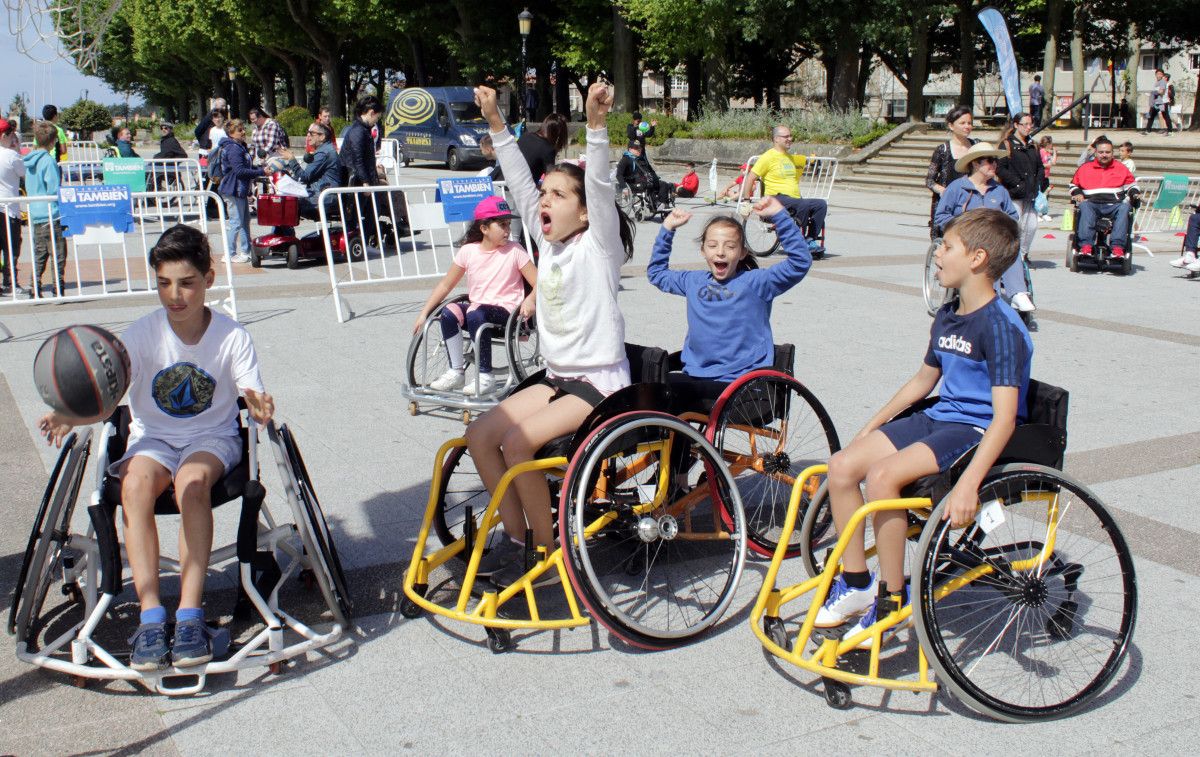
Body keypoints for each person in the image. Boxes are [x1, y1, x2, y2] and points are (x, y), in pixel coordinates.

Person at [37, 224, 275, 671]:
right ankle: (151, 614)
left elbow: (251, 391)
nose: (175, 295)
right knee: (133, 487)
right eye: (164, 283)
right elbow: (109, 395)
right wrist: (69, 414)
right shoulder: (141, 334)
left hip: (211, 437)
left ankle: (189, 615)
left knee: (191, 484)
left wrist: (258, 403)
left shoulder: (232, 336)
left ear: (209, 279)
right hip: (154, 437)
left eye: (186, 282)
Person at [817, 207, 1031, 648]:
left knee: (882, 477)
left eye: (947, 247)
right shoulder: (949, 314)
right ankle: (857, 583)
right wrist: (870, 427)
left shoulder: (1002, 326)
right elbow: (922, 381)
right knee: (841, 467)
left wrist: (969, 484)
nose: (937, 256)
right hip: (938, 416)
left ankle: (893, 597)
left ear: (977, 258)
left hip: (975, 428)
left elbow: (1005, 417)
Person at [465, 82, 634, 589]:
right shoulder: (546, 242)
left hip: (601, 383)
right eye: (545, 195)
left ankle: (546, 546)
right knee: (479, 435)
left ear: (582, 213)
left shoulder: (599, 248)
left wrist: (597, 127)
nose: (544, 201)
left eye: (558, 195)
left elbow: (600, 189)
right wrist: (496, 120)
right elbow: (518, 179)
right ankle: (517, 539)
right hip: (559, 377)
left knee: (518, 443)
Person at [649, 199, 810, 412]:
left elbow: (800, 262)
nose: (721, 252)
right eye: (713, 245)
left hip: (742, 381)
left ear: (742, 252)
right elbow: (657, 273)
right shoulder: (692, 281)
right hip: (696, 375)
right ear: (703, 251)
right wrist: (668, 228)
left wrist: (780, 215)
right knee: (647, 390)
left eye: (730, 246)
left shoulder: (757, 282)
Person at [415, 196, 537, 395]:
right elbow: (446, 285)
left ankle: (485, 376)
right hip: (477, 312)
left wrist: (531, 299)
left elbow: (539, 282)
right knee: (449, 311)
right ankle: (456, 372)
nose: (507, 230)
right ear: (484, 228)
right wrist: (424, 312)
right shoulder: (468, 251)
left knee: (475, 311)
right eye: (501, 225)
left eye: (508, 224)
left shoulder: (515, 250)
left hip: (507, 313)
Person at [935, 143, 1027, 313]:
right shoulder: (957, 188)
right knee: (984, 253)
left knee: (1011, 247)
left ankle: (1017, 292)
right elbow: (940, 216)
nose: (995, 164)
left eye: (996, 161)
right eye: (990, 161)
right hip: (965, 239)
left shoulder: (999, 190)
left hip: (994, 239)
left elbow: (1013, 216)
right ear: (976, 164)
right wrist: (962, 226)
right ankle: (991, 298)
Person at [742, 125, 827, 255]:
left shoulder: (790, 157)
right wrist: (746, 201)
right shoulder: (767, 157)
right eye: (786, 136)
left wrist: (811, 161)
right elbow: (750, 178)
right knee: (802, 205)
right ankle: (799, 240)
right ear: (776, 139)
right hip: (776, 198)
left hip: (794, 200)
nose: (790, 139)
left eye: (790, 136)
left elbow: (802, 162)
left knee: (820, 204)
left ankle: (810, 239)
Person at [995, 113, 1043, 312]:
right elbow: (1001, 168)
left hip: (1030, 194)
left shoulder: (1033, 145)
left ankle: (1022, 255)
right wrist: (1016, 183)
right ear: (1016, 125)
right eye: (1025, 124)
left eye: (1030, 124)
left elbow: (1039, 167)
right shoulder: (1006, 145)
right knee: (1015, 226)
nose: (1028, 127)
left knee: (1031, 225)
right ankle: (1012, 256)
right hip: (1013, 194)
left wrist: (1039, 182)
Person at [1068, 136, 1139, 261]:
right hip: (1091, 203)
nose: (1104, 155)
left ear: (1112, 153)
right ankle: (1086, 246)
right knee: (1084, 206)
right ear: (1096, 152)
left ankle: (1117, 247)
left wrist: (1134, 193)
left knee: (1125, 207)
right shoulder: (1085, 168)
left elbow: (1132, 185)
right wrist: (1078, 192)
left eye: (1107, 152)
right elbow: (1073, 185)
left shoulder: (1121, 168)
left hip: (1114, 204)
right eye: (1101, 152)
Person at [22, 121, 68, 297]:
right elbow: (53, 188)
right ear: (53, 141)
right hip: (51, 213)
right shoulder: (48, 161)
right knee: (58, 252)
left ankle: (35, 286)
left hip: (35, 212)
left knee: (40, 253)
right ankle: (58, 288)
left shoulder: (30, 160)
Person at [215, 119, 270, 264]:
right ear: (231, 133)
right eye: (239, 130)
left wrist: (258, 170)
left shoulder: (239, 146)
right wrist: (261, 171)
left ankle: (246, 251)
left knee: (245, 221)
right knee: (236, 222)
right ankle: (229, 253)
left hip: (240, 190)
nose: (243, 132)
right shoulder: (233, 148)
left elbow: (244, 169)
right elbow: (239, 171)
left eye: (243, 129)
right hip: (232, 189)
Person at [274, 122, 342, 235]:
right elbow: (305, 176)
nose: (308, 136)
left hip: (324, 196)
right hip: (320, 193)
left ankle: (284, 237)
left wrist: (291, 159)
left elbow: (304, 177)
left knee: (285, 203)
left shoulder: (324, 152)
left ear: (322, 136)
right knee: (284, 200)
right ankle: (284, 236)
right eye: (308, 133)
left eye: (311, 133)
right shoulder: (324, 150)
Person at [925, 106, 977, 239]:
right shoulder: (942, 150)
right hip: (949, 206)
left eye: (969, 123)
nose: (967, 126)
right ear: (951, 126)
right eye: (962, 123)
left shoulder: (977, 146)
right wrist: (945, 191)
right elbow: (929, 181)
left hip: (972, 203)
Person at [0, 117, 26, 296]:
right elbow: (24, 173)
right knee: (11, 247)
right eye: (10, 134)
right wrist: (16, 149)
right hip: (9, 208)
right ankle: (10, 281)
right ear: (3, 136)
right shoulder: (11, 156)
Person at [616, 142, 672, 212]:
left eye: (640, 148)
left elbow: (651, 171)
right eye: (636, 148)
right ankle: (656, 203)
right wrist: (624, 187)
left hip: (646, 180)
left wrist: (655, 179)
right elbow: (619, 175)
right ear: (630, 149)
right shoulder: (625, 160)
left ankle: (663, 204)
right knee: (648, 184)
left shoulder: (642, 159)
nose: (639, 150)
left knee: (663, 184)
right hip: (633, 183)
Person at [1142, 69, 1172, 135]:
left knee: (1165, 116)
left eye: (1161, 74)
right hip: (1157, 102)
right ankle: (1148, 130)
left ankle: (1170, 131)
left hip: (1163, 102)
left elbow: (1162, 91)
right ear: (1155, 75)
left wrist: (1153, 93)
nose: (1159, 75)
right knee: (1151, 115)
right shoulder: (1157, 82)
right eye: (1158, 74)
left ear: (1162, 75)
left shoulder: (1163, 82)